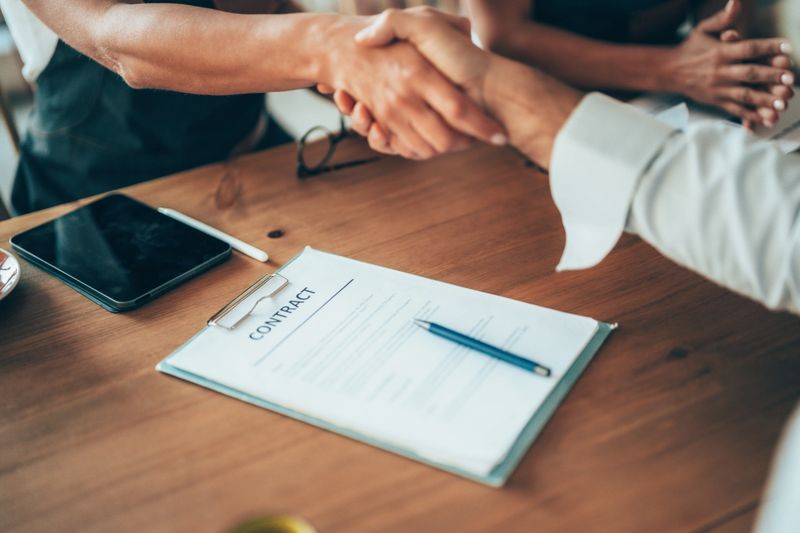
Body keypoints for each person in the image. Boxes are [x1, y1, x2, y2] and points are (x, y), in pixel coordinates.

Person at [334, 6, 800, 315]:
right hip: (544, 132)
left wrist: (717, 46)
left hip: (675, 113)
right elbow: (502, 35)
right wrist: (677, 67)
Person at [0, 0, 506, 214]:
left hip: (252, 164)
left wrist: (364, 74)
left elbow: (265, 11)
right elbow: (114, 34)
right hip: (94, 197)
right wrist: (331, 49)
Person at [466, 0, 794, 128]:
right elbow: (504, 35)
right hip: (549, 99)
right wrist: (675, 69)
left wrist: (724, 54)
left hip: (684, 100)